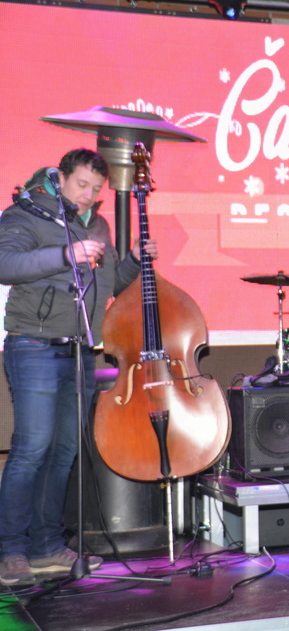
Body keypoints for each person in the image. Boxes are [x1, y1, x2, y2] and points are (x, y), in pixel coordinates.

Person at [0, 148, 154, 587]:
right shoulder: (25, 213)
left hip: (81, 350)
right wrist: (64, 254)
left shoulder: (96, 225)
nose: (88, 194)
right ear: (60, 178)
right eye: (81, 185)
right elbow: (4, 264)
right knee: (32, 448)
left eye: (96, 188)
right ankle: (10, 551)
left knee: (64, 451)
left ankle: (47, 546)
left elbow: (107, 284)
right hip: (34, 345)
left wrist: (133, 261)